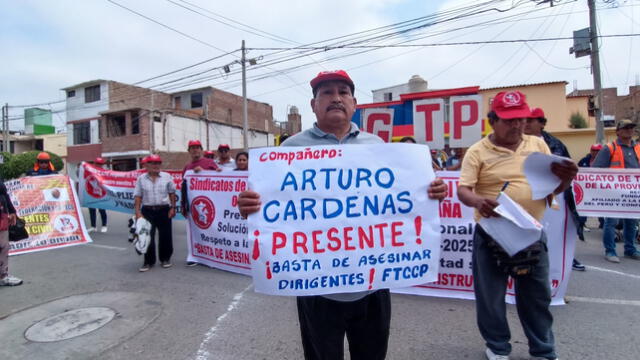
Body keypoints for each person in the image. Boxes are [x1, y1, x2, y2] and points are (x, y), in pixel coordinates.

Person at [238, 70, 448, 360]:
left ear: (354, 103)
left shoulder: (379, 148)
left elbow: (408, 200)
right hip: (315, 289)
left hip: (372, 285)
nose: (335, 98)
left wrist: (431, 192)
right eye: (326, 92)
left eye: (343, 92)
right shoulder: (288, 150)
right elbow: (267, 208)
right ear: (313, 104)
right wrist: (248, 206)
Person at [458, 91, 577, 360]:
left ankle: (543, 350)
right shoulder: (478, 151)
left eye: (520, 119)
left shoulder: (538, 145)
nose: (516, 125)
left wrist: (566, 180)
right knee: (490, 298)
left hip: (531, 231)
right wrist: (478, 201)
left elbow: (553, 188)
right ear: (492, 121)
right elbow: (463, 190)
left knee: (536, 297)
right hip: (491, 233)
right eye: (508, 119)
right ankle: (497, 347)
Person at [525, 107, 586, 271]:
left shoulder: (555, 144)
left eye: (531, 120)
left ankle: (564, 262)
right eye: (525, 120)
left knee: (556, 232)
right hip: (526, 196)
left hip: (555, 197)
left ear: (542, 124)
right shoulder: (515, 143)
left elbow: (568, 169)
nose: (526, 124)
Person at [592, 119, 640, 263]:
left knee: (632, 222)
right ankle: (610, 251)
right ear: (618, 131)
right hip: (613, 195)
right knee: (611, 222)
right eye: (625, 128)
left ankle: (630, 249)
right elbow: (596, 170)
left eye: (631, 127)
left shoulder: (637, 148)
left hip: (632, 194)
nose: (629, 130)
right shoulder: (609, 148)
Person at [133, 155, 177, 272]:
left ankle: (165, 259)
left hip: (164, 210)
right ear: (146, 165)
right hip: (147, 211)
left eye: (158, 163)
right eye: (152, 163)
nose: (155, 165)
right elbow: (138, 196)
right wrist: (137, 212)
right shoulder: (141, 179)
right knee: (147, 236)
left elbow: (172, 193)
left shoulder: (167, 177)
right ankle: (148, 261)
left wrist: (173, 208)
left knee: (166, 236)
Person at [181, 140, 220, 267]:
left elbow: (220, 178)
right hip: (193, 206)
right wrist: (183, 205)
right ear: (189, 151)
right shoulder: (187, 167)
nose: (195, 150)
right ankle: (194, 256)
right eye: (192, 148)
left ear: (201, 149)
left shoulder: (209, 163)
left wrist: (203, 172)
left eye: (197, 148)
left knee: (211, 232)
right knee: (194, 232)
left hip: (210, 205)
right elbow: (184, 187)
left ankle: (213, 257)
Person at [577, 144, 604, 230]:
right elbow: (577, 171)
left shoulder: (605, 161)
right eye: (593, 150)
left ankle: (603, 225)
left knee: (601, 206)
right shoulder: (584, 160)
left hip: (600, 189)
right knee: (584, 206)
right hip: (586, 189)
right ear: (590, 151)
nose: (595, 152)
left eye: (597, 151)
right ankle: (581, 224)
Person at [0, 179, 20, 286]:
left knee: (4, 246)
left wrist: (12, 211)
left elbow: (4, 194)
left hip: (2, 214)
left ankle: (3, 275)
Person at [88, 157, 108, 233]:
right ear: (94, 163)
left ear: (102, 165)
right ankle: (93, 226)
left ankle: (104, 225)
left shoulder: (105, 172)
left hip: (101, 194)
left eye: (100, 164)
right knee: (92, 210)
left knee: (102, 210)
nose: (98, 165)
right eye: (97, 163)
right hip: (92, 193)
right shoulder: (90, 171)